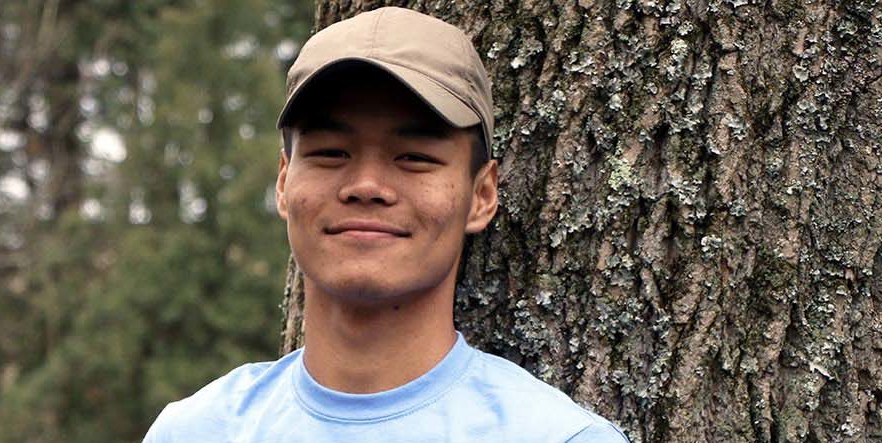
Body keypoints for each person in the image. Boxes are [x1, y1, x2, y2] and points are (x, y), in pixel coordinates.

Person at [142, 7, 628, 443]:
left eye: (414, 157)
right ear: (285, 182)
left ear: (481, 196)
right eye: (331, 153)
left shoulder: (558, 438)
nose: (367, 184)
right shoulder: (197, 431)